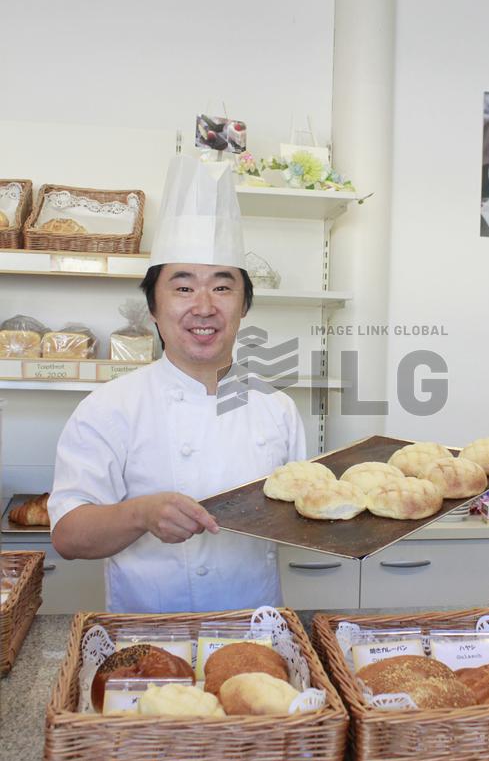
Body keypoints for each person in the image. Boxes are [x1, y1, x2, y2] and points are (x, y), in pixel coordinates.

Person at [49, 156, 305, 612]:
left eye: (223, 288)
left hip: (257, 636)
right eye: (183, 287)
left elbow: (304, 516)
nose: (204, 307)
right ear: (152, 306)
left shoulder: (277, 408)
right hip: (149, 643)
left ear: (244, 304)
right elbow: (68, 536)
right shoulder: (110, 407)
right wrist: (141, 514)